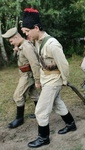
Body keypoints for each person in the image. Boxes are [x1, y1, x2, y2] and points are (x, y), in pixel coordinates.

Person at [21, 8, 77, 148]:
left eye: (27, 31)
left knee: (40, 110)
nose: (26, 35)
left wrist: (64, 80)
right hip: (46, 79)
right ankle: (71, 124)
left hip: (54, 80)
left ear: (36, 27)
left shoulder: (52, 44)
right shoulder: (37, 41)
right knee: (57, 103)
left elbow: (64, 64)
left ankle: (43, 138)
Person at [2, 27, 40, 128]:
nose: (10, 43)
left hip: (28, 76)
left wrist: (37, 80)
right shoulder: (23, 45)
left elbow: (34, 63)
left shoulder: (26, 47)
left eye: (11, 41)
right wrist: (17, 49)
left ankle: (19, 119)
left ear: (16, 37)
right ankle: (39, 113)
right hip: (26, 74)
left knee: (18, 96)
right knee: (34, 94)